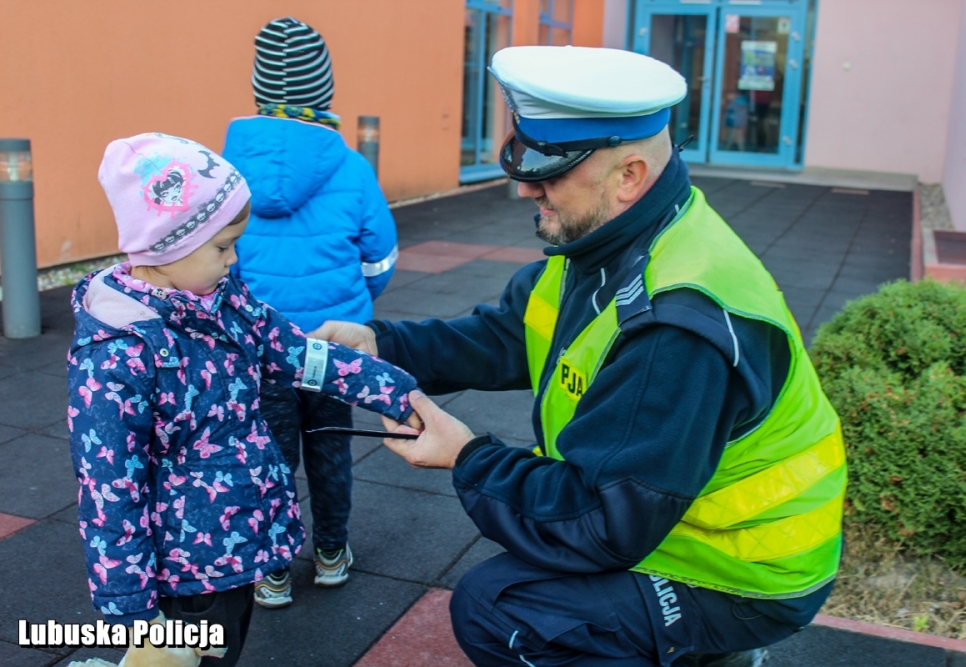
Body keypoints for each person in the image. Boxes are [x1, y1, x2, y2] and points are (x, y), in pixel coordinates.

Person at [313, 46, 846, 667]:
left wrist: (467, 457)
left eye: (549, 173)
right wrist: (386, 344)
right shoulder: (618, 237)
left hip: (744, 572)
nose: (525, 189)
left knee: (499, 609)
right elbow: (510, 336)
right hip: (671, 517)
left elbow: (601, 521)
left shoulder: (674, 326)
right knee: (519, 582)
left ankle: (715, 649)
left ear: (628, 176)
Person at [67, 133, 418, 666]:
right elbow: (108, 491)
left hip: (234, 545)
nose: (234, 261)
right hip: (184, 574)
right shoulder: (118, 355)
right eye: (222, 246)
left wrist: (393, 390)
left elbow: (299, 354)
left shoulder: (226, 304)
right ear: (167, 245)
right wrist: (135, 618)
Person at [220, 16, 400, 610]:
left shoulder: (226, 170)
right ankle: (329, 552)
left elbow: (221, 264)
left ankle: (271, 570)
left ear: (257, 89)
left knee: (267, 454)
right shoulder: (350, 167)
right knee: (329, 448)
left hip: (261, 346)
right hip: (330, 343)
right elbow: (379, 256)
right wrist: (357, 302)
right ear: (323, 91)